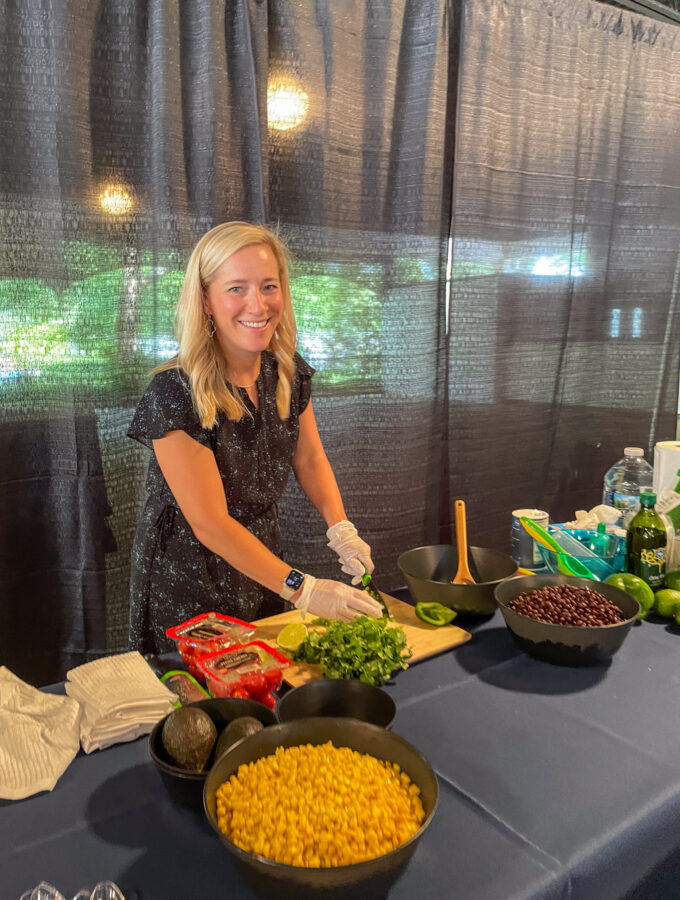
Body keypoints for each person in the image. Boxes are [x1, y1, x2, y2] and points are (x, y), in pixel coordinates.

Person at [127, 221, 382, 654]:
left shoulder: (286, 370)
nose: (258, 305)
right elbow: (211, 523)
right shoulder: (174, 392)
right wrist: (304, 589)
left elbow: (309, 459)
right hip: (190, 571)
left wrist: (341, 527)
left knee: (265, 677)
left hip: (263, 560)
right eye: (236, 289)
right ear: (205, 300)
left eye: (268, 286)